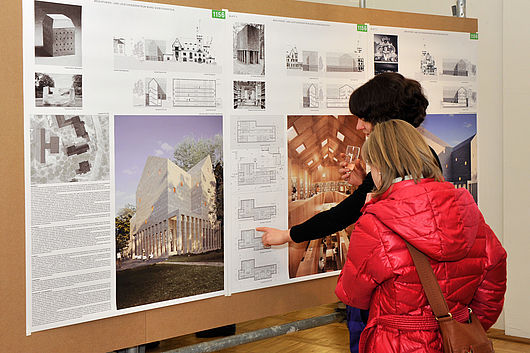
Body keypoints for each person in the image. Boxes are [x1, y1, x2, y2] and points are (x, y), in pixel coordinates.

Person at [257, 72, 437, 353]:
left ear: (386, 118)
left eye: (365, 117)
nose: (359, 125)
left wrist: (289, 234)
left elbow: (343, 215)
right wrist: (365, 182)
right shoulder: (424, 157)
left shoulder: (389, 162)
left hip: (389, 306)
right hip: (421, 302)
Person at [335, 120, 507, 352]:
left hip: (396, 343)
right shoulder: (468, 211)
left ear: (380, 167)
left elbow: (352, 294)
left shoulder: (374, 223)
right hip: (457, 340)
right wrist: (459, 327)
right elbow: (492, 284)